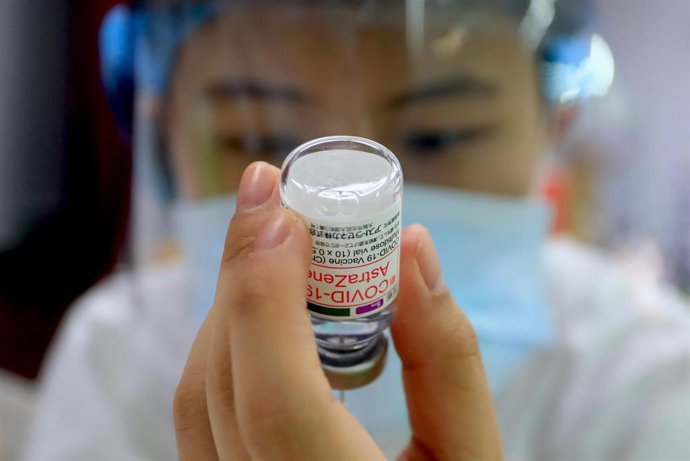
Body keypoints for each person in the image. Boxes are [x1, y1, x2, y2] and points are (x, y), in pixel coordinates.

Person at [20, 1, 690, 459]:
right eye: (260, 138)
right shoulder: (112, 360)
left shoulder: (646, 375)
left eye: (439, 134)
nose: (344, 210)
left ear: (555, 128)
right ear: (164, 141)